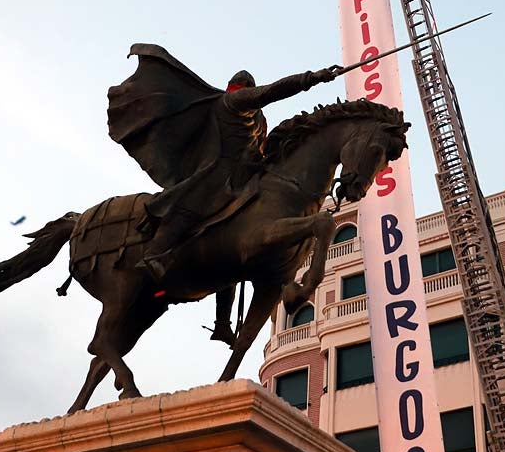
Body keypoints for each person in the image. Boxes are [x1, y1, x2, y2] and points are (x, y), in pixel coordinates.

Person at [106, 45, 340, 281]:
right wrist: (311, 78)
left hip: (249, 173)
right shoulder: (233, 100)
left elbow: (261, 147)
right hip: (222, 170)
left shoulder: (260, 119)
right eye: (251, 91)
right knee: (197, 201)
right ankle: (155, 253)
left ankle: (223, 316)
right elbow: (270, 92)